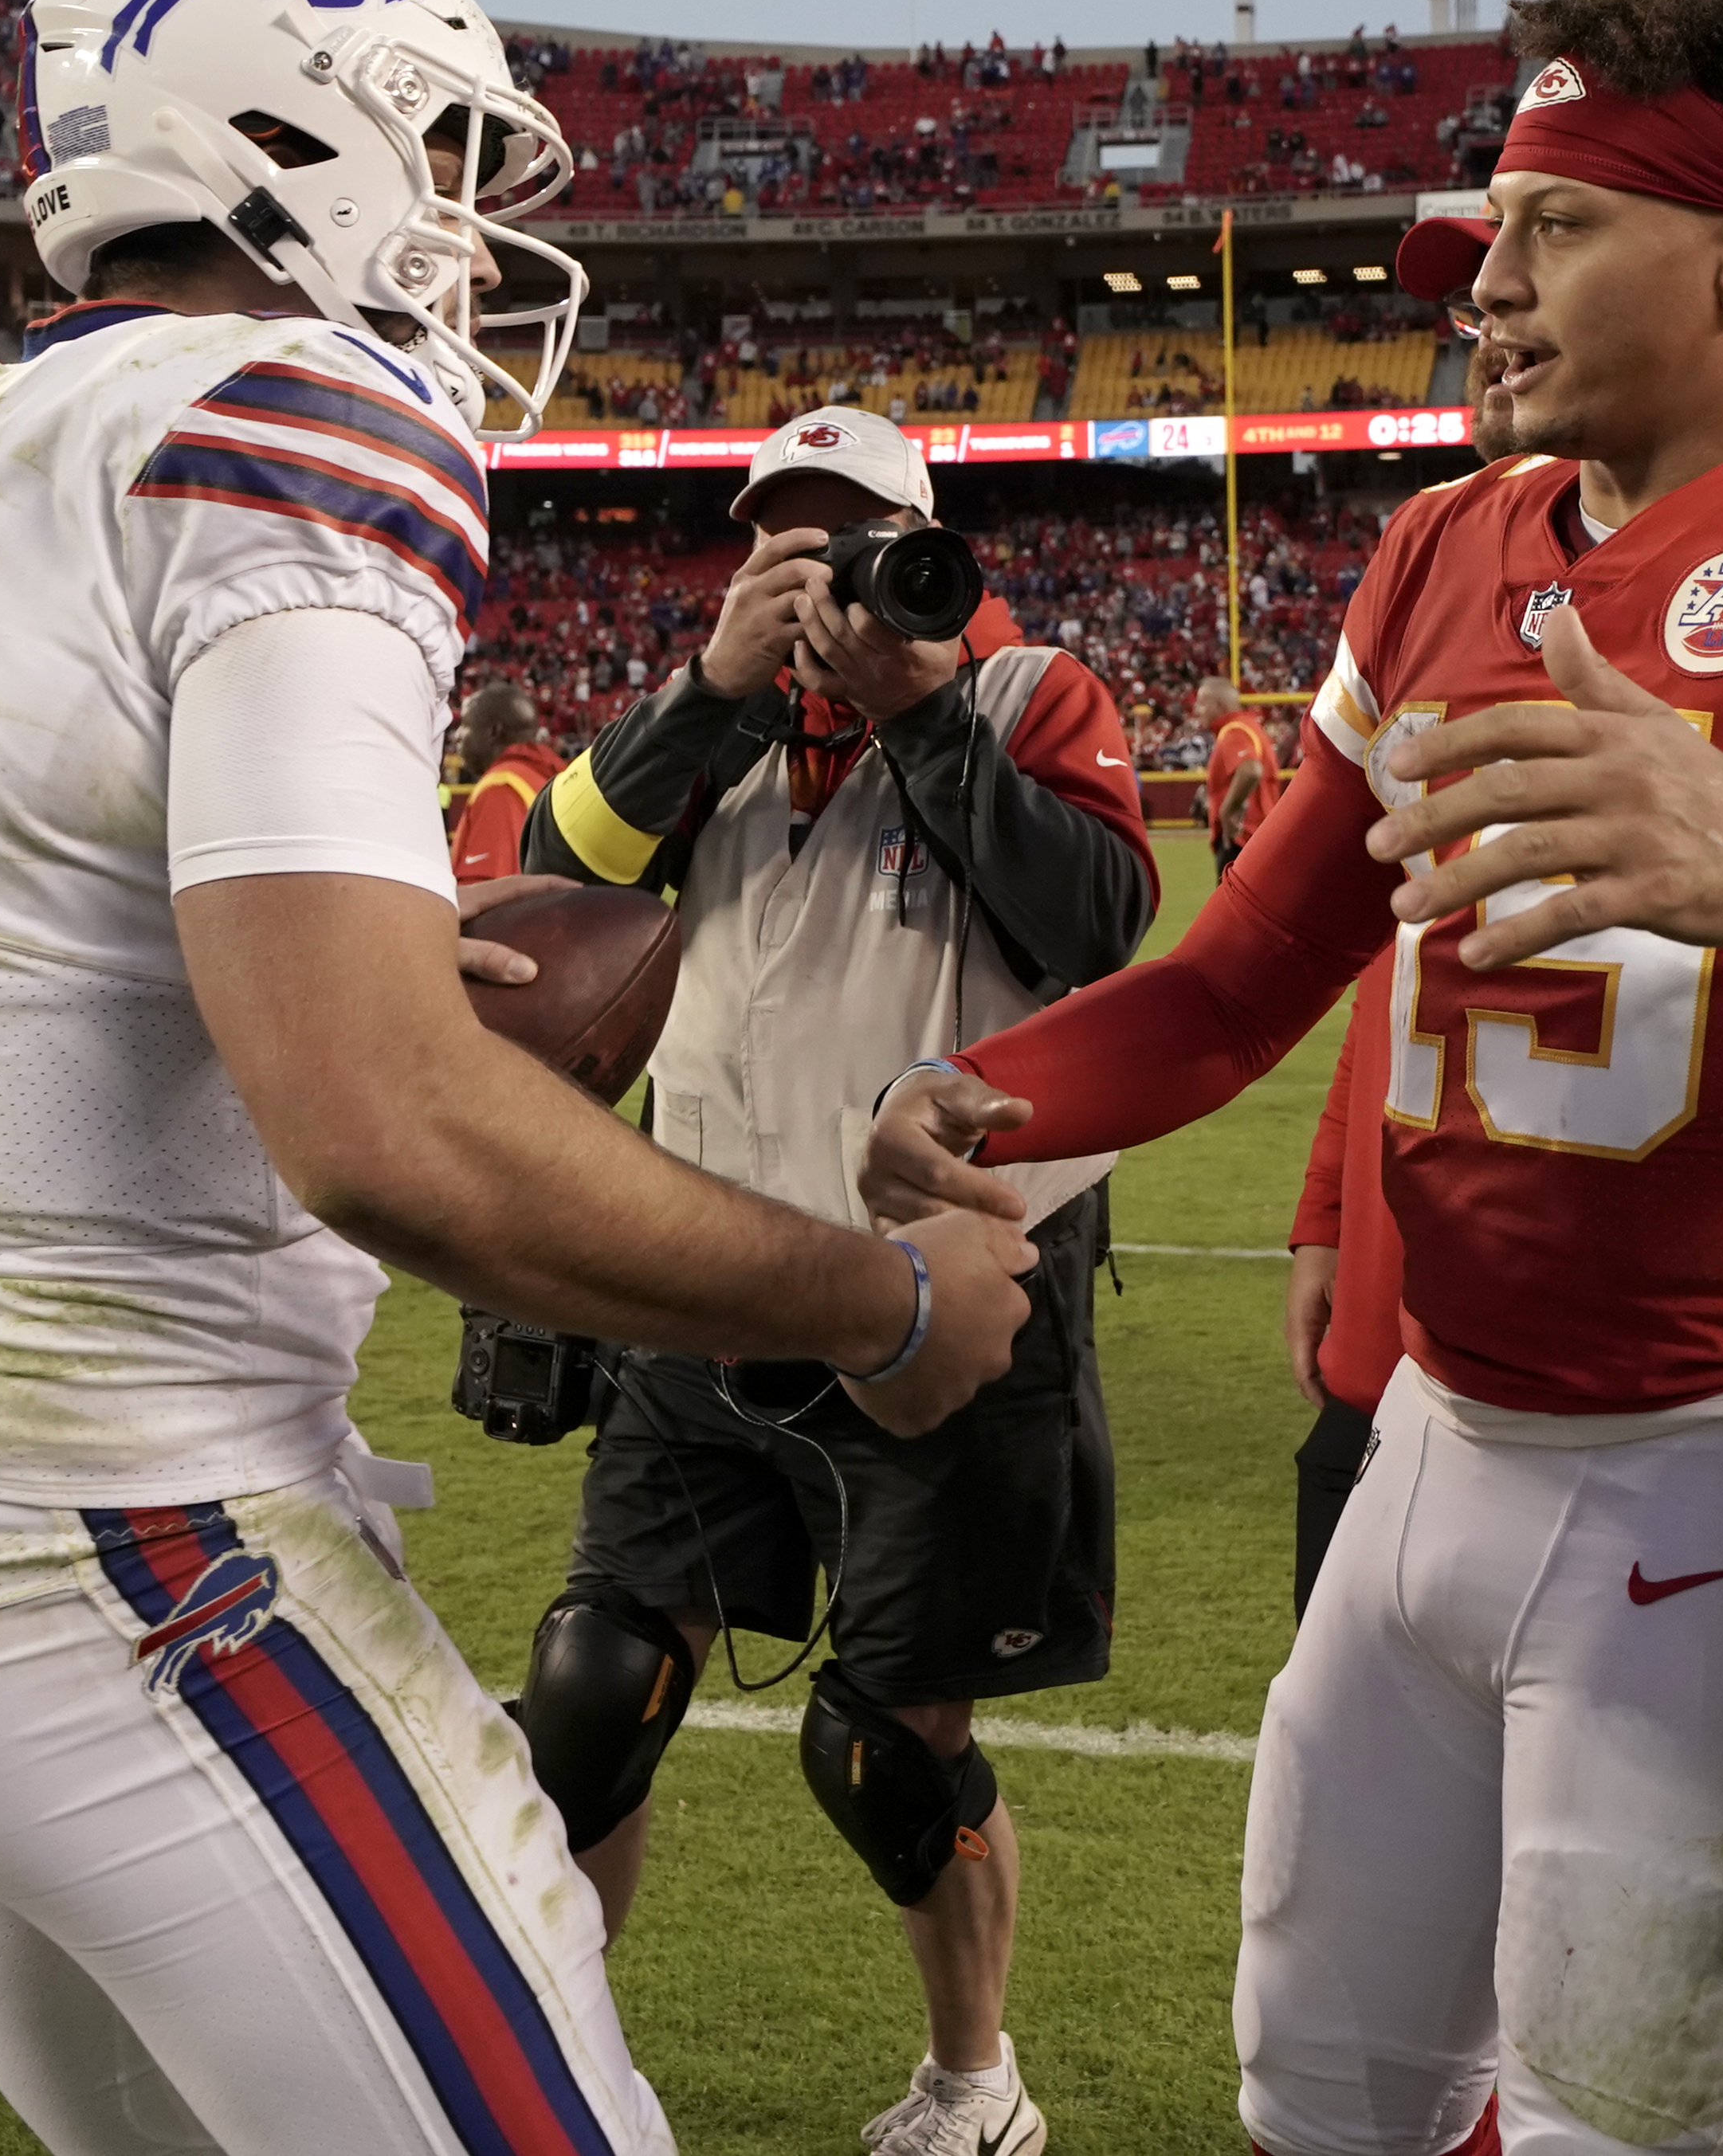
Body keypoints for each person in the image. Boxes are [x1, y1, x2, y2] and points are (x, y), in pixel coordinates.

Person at [0, 0, 1038, 2156]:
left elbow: (49, 921)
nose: (465, 214)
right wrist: (881, 1292)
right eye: (433, 143)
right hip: (119, 1552)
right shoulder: (283, 411)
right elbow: (387, 1137)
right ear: (278, 123)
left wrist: (352, 962)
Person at [866, 0, 1723, 2156]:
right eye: (1482, 241)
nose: (1479, 288)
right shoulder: (1445, 543)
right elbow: (1232, 982)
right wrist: (986, 1091)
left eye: (1550, 228)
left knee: (1632, 2124)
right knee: (1326, 2093)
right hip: (1436, 1441)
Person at [514, 405, 1153, 2156]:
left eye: (848, 536)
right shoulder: (704, 717)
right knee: (590, 1688)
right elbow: (549, 887)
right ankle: (547, 2069)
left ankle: (974, 2080)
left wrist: (919, 706)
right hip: (699, 1272)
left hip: (936, 1298)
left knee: (889, 1741)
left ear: (921, 538)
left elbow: (1095, 922)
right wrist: (703, 696)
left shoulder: (1029, 695)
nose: (815, 577)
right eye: (779, 540)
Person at [1281, 945, 1403, 1618]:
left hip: (1598, 1408)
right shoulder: (1410, 843)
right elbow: (1378, 1014)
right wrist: (1325, 1222)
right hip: (1378, 1357)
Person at [445, 678, 559, 883]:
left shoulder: (501, 786)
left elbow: (486, 892)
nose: (457, 736)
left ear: (493, 732)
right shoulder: (542, 776)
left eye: (465, 725)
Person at [1201, 675, 1281, 876]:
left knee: (1231, 906)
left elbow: (1251, 770)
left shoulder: (1234, 730)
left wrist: (1226, 810)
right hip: (1258, 837)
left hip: (1241, 838)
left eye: (1202, 703)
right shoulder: (1249, 726)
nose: (1196, 710)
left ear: (1218, 704)